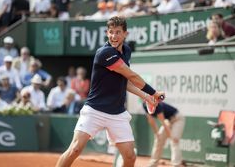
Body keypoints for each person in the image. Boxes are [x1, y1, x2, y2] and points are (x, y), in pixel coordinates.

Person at [55, 16, 165, 167]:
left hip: (117, 113)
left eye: (118, 32)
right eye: (111, 32)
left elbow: (124, 81)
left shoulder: (126, 51)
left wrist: (146, 96)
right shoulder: (104, 53)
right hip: (94, 110)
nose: (114, 36)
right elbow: (132, 76)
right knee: (75, 149)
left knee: (130, 156)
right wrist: (153, 93)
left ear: (125, 34)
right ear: (107, 33)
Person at [142, 102, 185, 167]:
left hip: (177, 119)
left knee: (174, 141)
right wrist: (156, 133)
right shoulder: (145, 105)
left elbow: (163, 123)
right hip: (168, 121)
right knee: (158, 140)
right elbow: (150, 120)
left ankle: (176, 164)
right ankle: (153, 164)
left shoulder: (158, 105)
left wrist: (171, 136)